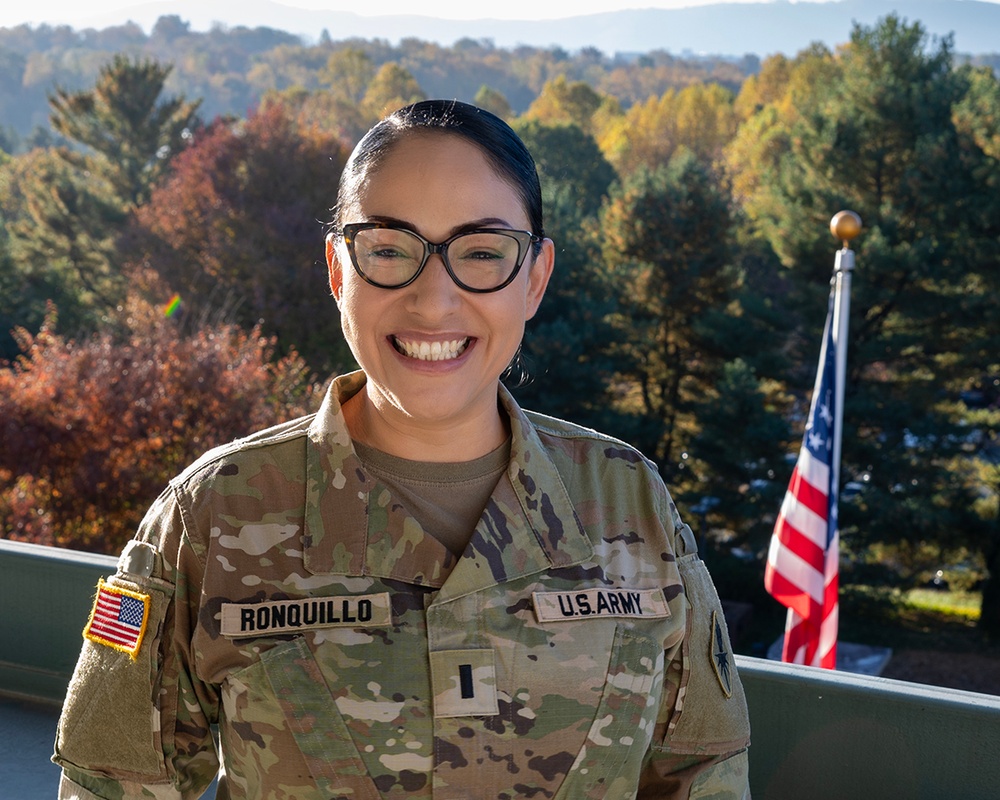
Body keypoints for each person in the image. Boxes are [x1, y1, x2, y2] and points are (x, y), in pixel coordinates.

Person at [54, 99, 751, 799]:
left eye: (482, 252)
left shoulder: (629, 500)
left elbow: (702, 774)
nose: (434, 300)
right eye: (389, 250)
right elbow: (109, 786)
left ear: (535, 278)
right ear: (337, 270)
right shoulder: (215, 513)